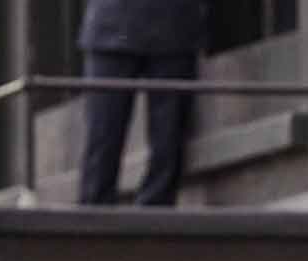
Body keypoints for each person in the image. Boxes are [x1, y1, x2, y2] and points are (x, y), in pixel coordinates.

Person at [76, 0, 209, 207]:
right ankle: (97, 218)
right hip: (116, 27)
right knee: (104, 136)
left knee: (167, 138)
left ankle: (149, 217)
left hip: (170, 27)